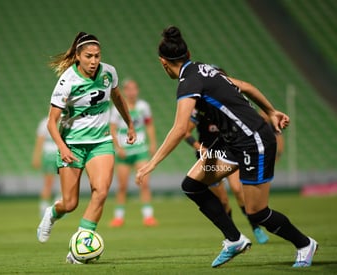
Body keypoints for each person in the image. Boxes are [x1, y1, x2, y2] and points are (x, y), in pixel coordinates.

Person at [136, 26, 317, 268]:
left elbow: (180, 129)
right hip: (232, 143)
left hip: (254, 142)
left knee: (257, 212)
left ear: (163, 62)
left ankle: (305, 244)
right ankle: (234, 239)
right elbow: (248, 86)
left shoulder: (189, 81)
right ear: (187, 53)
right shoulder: (206, 69)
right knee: (192, 185)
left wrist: (151, 164)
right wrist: (271, 111)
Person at [36, 32, 136, 264]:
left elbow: (118, 98)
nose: (93, 61)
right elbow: (52, 122)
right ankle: (51, 213)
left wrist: (129, 123)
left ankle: (80, 246)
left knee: (100, 191)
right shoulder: (67, 81)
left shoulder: (109, 72)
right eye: (88, 56)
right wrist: (62, 147)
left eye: (97, 56)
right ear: (78, 57)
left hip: (101, 142)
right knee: (70, 203)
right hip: (72, 144)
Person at [185, 107, 269, 244]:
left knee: (237, 189)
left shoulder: (226, 108)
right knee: (222, 201)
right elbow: (186, 133)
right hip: (210, 158)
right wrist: (200, 148)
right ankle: (233, 234)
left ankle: (255, 227)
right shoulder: (200, 110)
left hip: (229, 154)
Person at [109, 79, 158, 227]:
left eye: (134, 89)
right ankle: (119, 217)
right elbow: (112, 129)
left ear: (137, 91)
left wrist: (153, 143)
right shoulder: (116, 108)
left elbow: (149, 125)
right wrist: (118, 147)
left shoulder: (144, 107)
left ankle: (148, 216)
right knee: (122, 186)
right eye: (128, 89)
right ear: (124, 91)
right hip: (124, 152)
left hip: (140, 150)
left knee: (144, 183)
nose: (131, 92)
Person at [32, 116, 59, 217]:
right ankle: (43, 207)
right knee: (49, 182)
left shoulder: (65, 120)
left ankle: (59, 205)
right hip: (49, 155)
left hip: (62, 153)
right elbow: (40, 141)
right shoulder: (45, 123)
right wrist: (37, 157)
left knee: (64, 182)